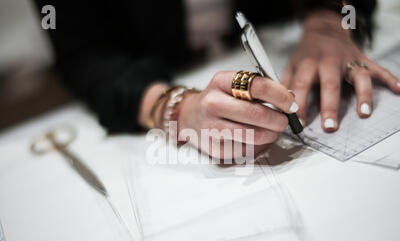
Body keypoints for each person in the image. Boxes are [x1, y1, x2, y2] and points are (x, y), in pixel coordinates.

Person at [35, 0, 400, 159]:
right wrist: (172, 107)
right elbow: (81, 51)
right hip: (148, 67)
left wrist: (328, 19)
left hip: (281, 33)